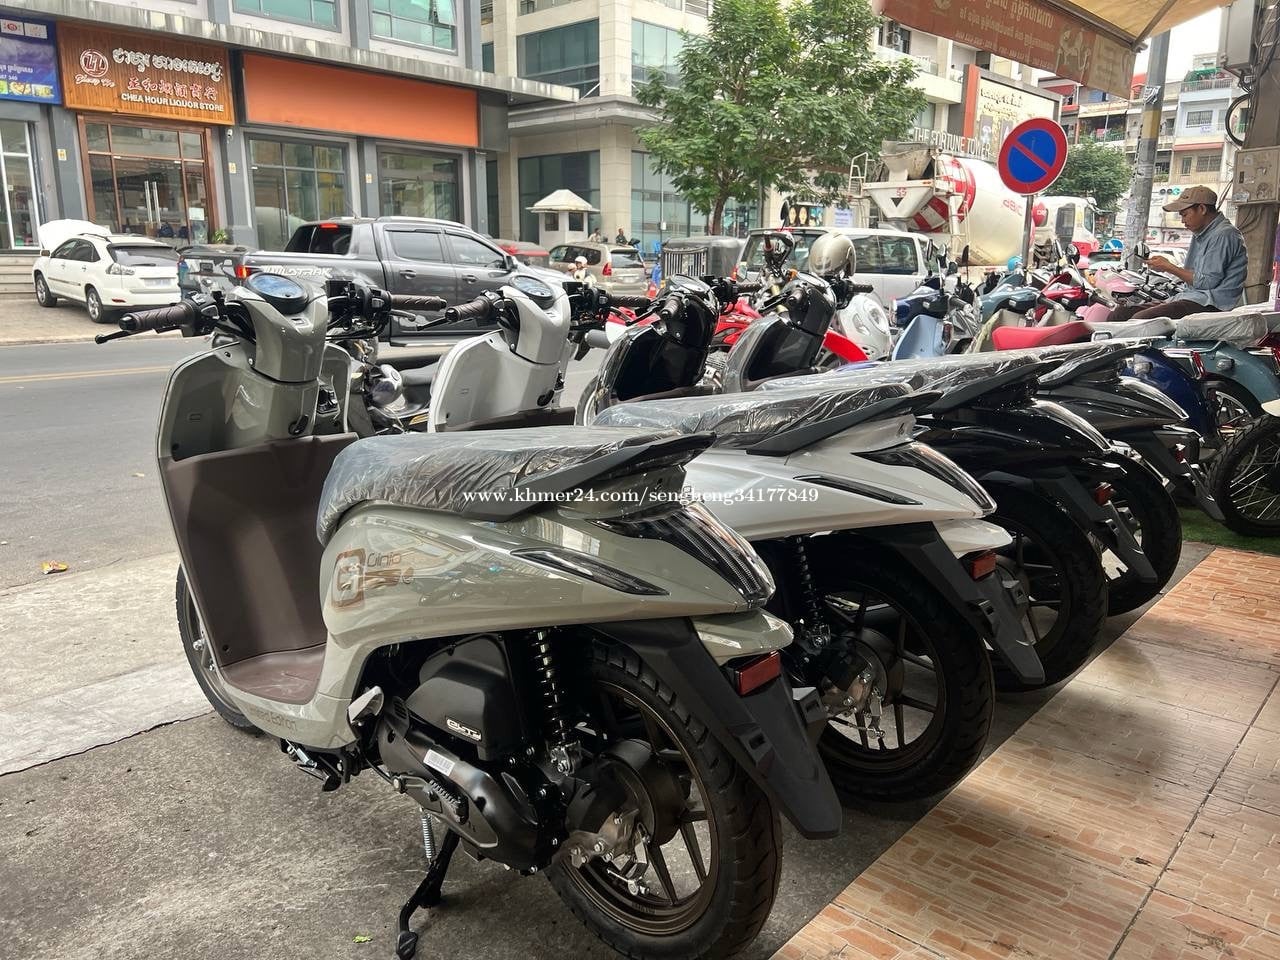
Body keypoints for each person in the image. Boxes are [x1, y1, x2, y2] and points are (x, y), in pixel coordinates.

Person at [1110, 186, 1248, 321]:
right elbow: (1194, 275)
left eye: (1185, 214)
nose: (1182, 220)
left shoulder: (1223, 235)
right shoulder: (1201, 233)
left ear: (1202, 209)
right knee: (1120, 313)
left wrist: (1169, 267)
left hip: (1211, 304)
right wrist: (1164, 267)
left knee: (1141, 320)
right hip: (1190, 297)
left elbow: (1207, 283)